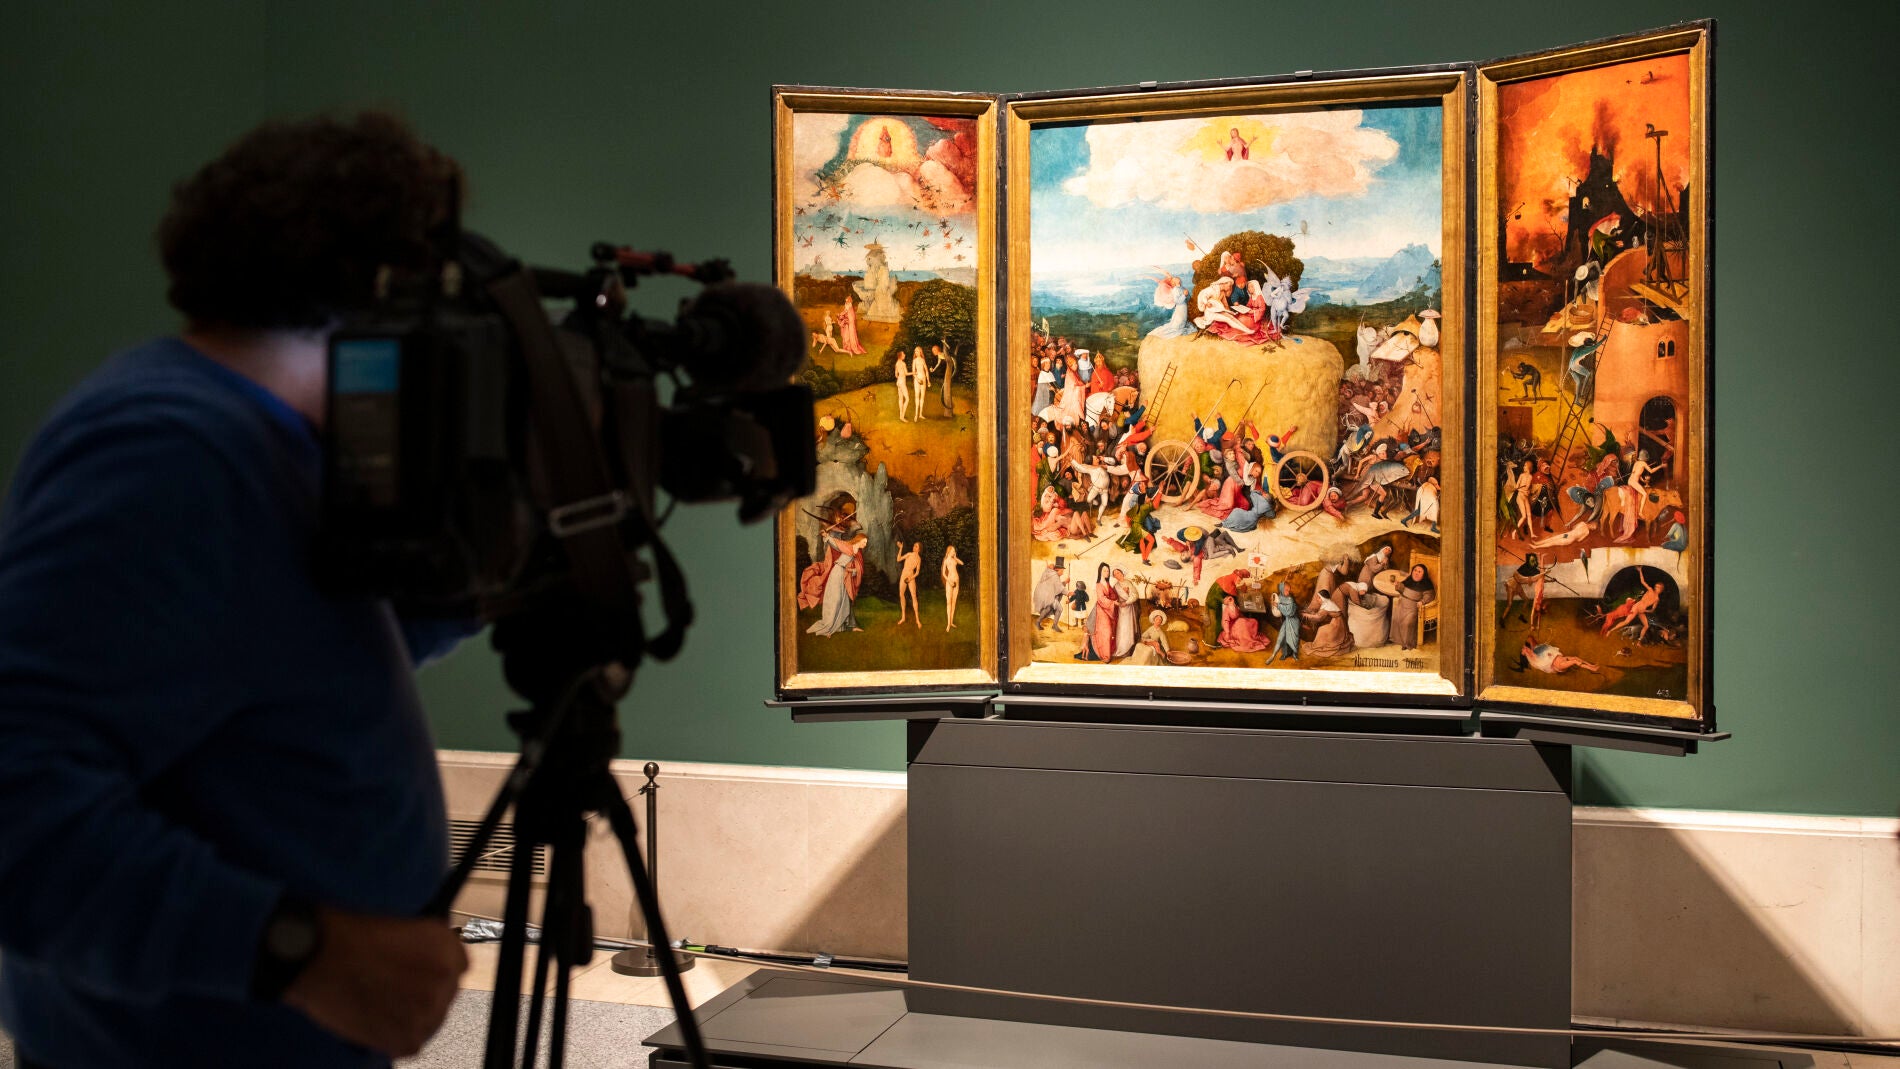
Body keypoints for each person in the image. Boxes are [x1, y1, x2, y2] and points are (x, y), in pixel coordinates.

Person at [0, 113, 472, 1067]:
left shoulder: (267, 442)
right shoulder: (172, 449)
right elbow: (16, 791)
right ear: (384, 286)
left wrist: (482, 581)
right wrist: (302, 952)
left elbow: (282, 655)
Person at [807, 525, 868, 636]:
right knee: (835, 600)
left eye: (866, 543)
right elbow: (836, 543)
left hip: (846, 577)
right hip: (837, 573)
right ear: (859, 540)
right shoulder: (847, 546)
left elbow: (859, 569)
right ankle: (830, 627)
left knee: (846, 600)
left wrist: (852, 570)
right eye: (864, 542)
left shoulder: (858, 553)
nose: (865, 544)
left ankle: (850, 626)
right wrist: (826, 535)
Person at [1391, 564, 1437, 651]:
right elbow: (1402, 589)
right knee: (1395, 618)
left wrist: (1422, 601)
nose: (1416, 573)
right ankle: (1398, 640)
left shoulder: (1426, 584)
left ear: (1424, 574)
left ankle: (1407, 644)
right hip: (1402, 604)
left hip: (1413, 607)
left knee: (1408, 622)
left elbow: (1430, 595)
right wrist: (1398, 585)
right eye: (1415, 570)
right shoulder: (1409, 580)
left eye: (1419, 572)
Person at [1518, 632, 1600, 675]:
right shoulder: (1535, 659)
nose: (1527, 650)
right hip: (1559, 665)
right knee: (1575, 661)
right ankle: (1592, 669)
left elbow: (1538, 654)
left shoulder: (1536, 653)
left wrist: (1549, 655)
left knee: (1575, 658)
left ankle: (1591, 665)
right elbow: (1541, 662)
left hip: (1559, 658)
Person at [1265, 582, 1302, 665]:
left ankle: (1294, 654)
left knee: (1294, 640)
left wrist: (1278, 605)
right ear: (1281, 589)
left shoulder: (1290, 599)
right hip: (1286, 621)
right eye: (1286, 590)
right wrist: (1273, 604)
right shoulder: (1279, 598)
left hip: (1293, 622)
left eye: (1289, 590)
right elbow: (1276, 612)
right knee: (1280, 638)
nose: (1288, 592)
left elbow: (1289, 612)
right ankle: (1273, 656)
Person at [1032, 557, 1068, 630]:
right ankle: (1054, 625)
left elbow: (1056, 586)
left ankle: (1038, 622)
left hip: (1047, 596)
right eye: (1062, 570)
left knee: (1047, 609)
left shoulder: (1052, 574)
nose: (1063, 572)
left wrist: (1065, 582)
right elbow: (1059, 588)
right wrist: (1068, 593)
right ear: (1057, 570)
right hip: (1049, 597)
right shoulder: (1055, 576)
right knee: (1059, 609)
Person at [895, 541, 924, 628]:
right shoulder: (909, 554)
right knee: (901, 594)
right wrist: (900, 548)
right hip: (904, 574)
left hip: (911, 576)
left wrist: (911, 578)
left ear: (919, 549)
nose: (914, 547)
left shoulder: (919, 559)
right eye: (914, 545)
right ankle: (903, 617)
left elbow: (917, 572)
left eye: (916, 546)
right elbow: (898, 559)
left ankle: (917, 620)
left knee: (914, 596)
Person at [941, 544, 963, 631]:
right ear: (949, 551)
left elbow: (962, 563)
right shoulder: (946, 560)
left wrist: (956, 557)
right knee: (949, 603)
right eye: (953, 551)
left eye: (954, 551)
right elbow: (943, 573)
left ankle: (951, 622)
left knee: (954, 603)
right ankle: (948, 624)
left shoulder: (954, 560)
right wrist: (949, 581)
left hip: (956, 581)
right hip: (949, 581)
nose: (954, 552)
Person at [930, 343, 956, 415]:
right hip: (950, 365)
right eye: (932, 351)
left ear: (937, 350)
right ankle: (947, 405)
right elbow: (938, 364)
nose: (933, 352)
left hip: (952, 364)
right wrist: (933, 370)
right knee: (945, 385)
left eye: (934, 350)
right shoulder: (939, 356)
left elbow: (949, 348)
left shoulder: (943, 353)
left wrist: (945, 343)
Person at [910, 346, 930, 420]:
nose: (916, 352)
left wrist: (928, 381)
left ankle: (920, 414)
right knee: (917, 396)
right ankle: (916, 415)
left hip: (923, 379)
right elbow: (913, 372)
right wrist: (917, 379)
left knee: (922, 397)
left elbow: (926, 370)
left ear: (920, 352)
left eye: (917, 351)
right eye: (915, 351)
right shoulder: (914, 360)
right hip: (917, 379)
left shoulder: (923, 360)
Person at [893, 351, 912, 423]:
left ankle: (901, 416)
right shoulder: (903, 363)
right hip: (902, 382)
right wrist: (914, 372)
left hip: (898, 382)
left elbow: (896, 374)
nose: (905, 355)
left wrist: (900, 377)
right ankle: (902, 416)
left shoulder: (897, 363)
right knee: (907, 399)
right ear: (901, 356)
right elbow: (906, 373)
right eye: (904, 354)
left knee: (900, 399)